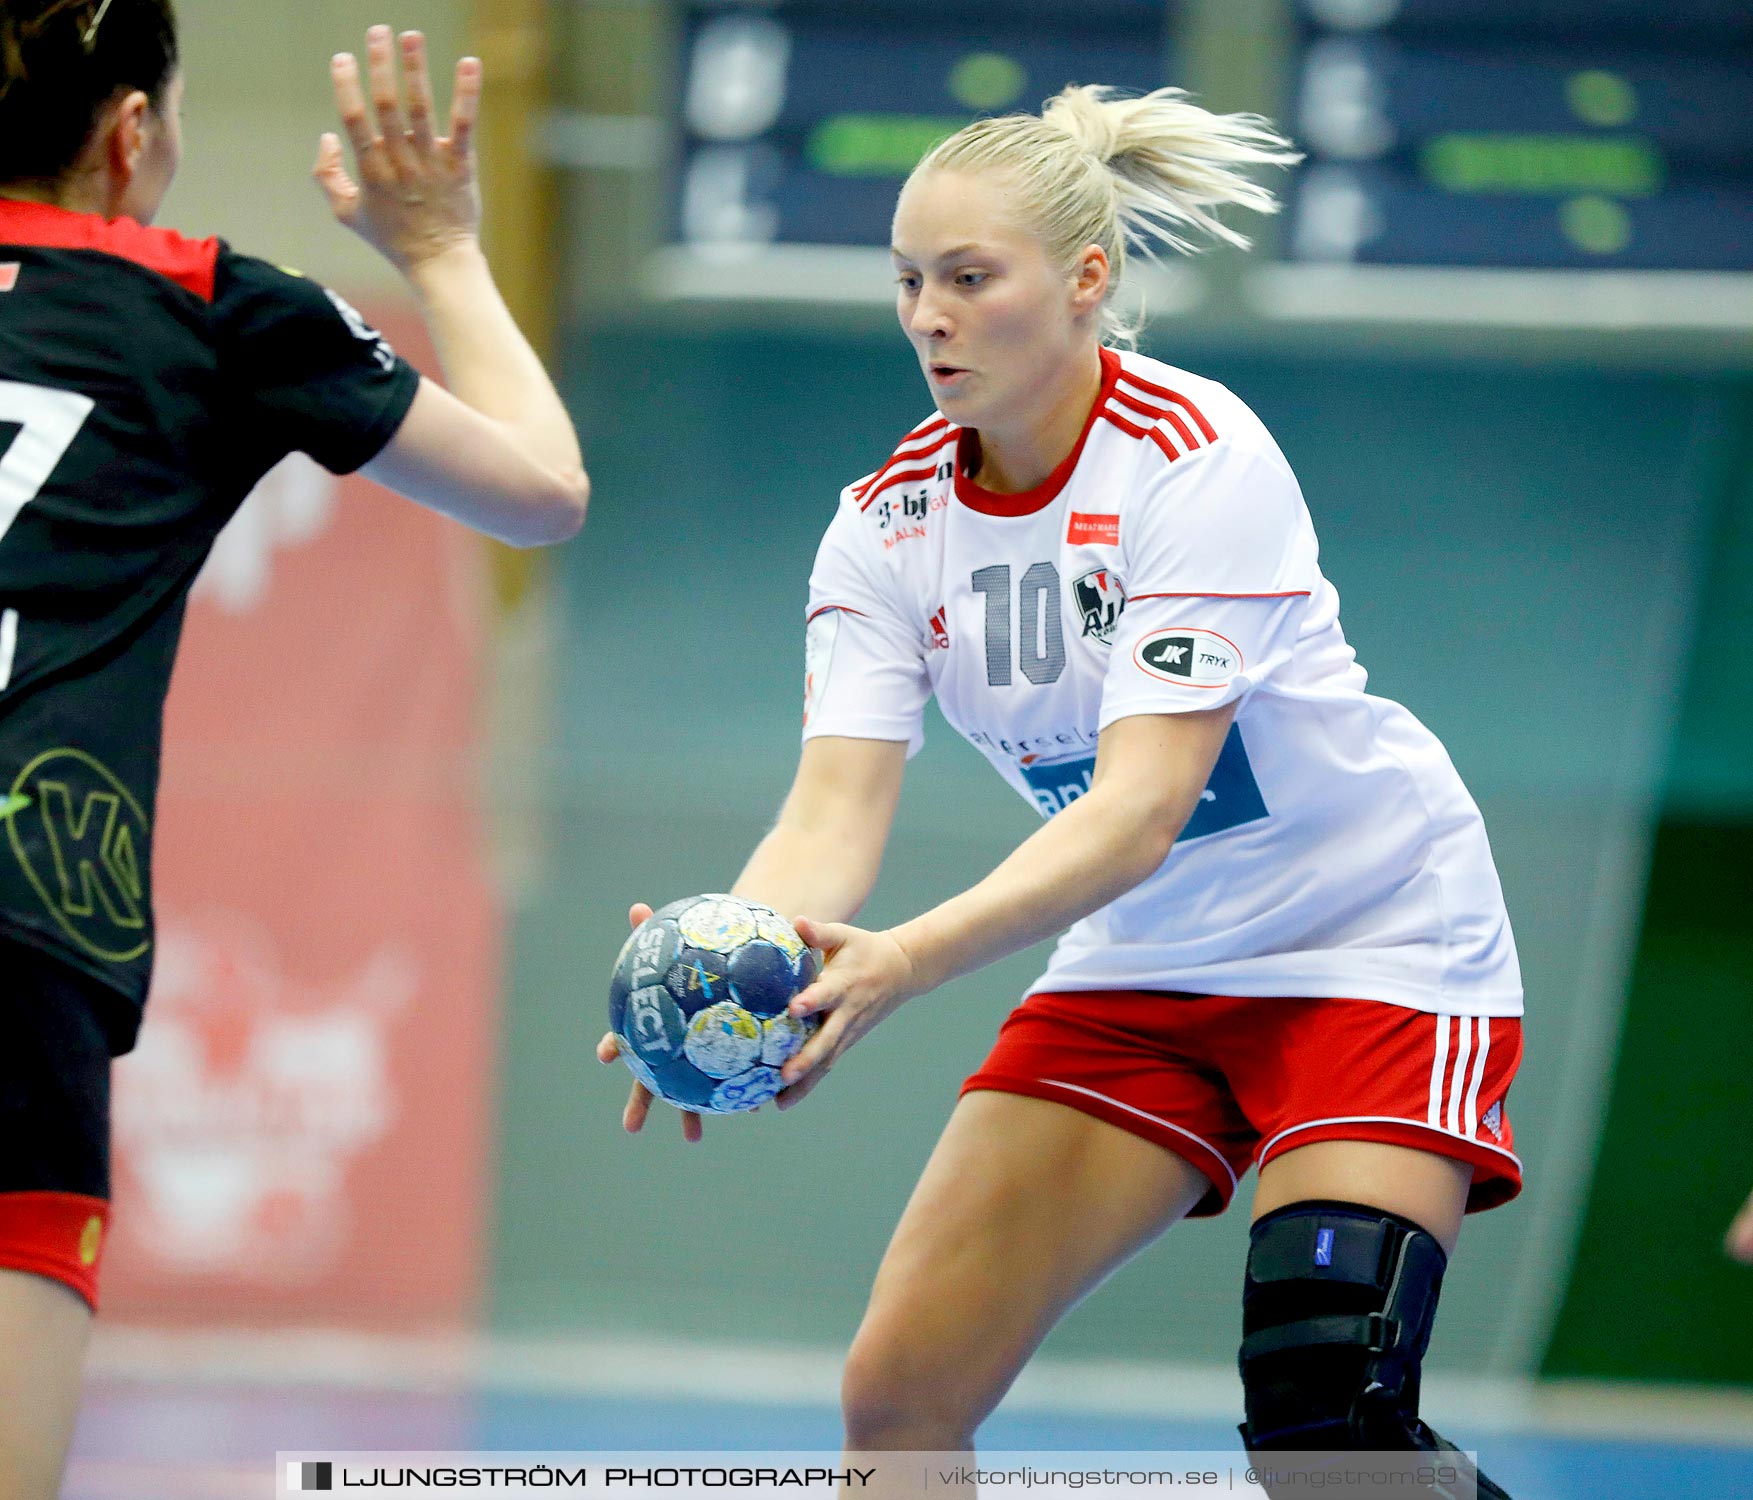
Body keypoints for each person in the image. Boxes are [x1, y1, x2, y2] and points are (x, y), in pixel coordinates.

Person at [602, 83, 1523, 1497]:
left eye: (969, 279)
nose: (928, 317)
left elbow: (1141, 808)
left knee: (1324, 1418)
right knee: (899, 1395)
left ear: (1086, 281)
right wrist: (731, 961)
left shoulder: (1195, 457)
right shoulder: (883, 527)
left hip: (1366, 943)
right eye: (908, 282)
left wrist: (904, 959)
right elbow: (831, 813)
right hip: (1147, 963)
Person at [0, 4, 586, 1494]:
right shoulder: (200, 301)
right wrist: (442, 244)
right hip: (16, 933)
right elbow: (539, 490)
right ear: (134, 132)